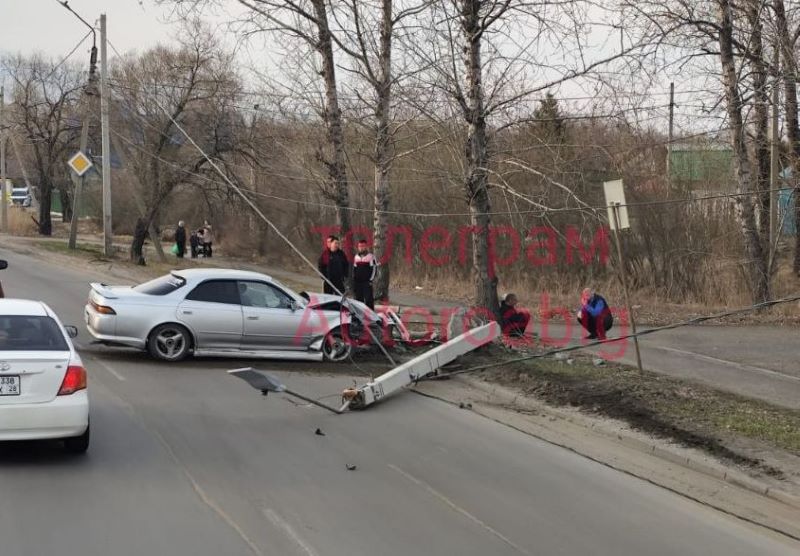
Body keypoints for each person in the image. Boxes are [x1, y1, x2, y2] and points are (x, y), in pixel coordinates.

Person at [352, 239, 377, 309]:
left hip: (367, 282)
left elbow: (374, 269)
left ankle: (370, 313)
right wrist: (354, 279)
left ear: (366, 247)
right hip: (358, 282)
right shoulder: (356, 257)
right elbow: (354, 269)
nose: (361, 248)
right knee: (358, 300)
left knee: (369, 299)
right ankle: (359, 314)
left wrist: (370, 280)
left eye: (363, 246)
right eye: (359, 246)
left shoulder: (371, 256)